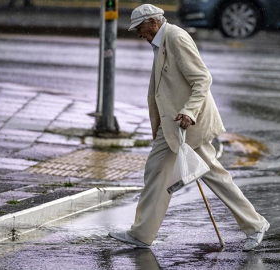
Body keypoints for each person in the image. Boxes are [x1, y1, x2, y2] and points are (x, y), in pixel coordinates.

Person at [108, 4, 269, 251]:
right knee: (159, 173)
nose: (139, 34)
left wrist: (189, 112)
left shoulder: (176, 37)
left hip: (187, 125)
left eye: (140, 28)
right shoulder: (160, 40)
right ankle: (141, 234)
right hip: (173, 125)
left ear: (153, 22)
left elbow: (202, 79)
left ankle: (256, 225)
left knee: (212, 177)